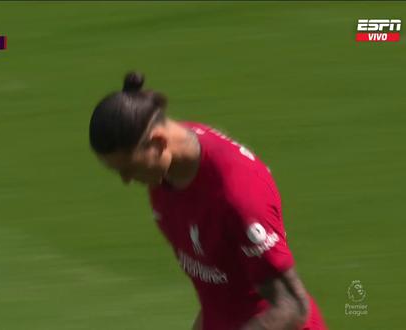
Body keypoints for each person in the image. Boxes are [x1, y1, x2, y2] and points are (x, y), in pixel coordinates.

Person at [88, 72, 327, 330]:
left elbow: (292, 305)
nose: (126, 180)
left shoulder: (238, 196)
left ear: (158, 142)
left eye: (129, 167)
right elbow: (218, 291)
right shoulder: (167, 171)